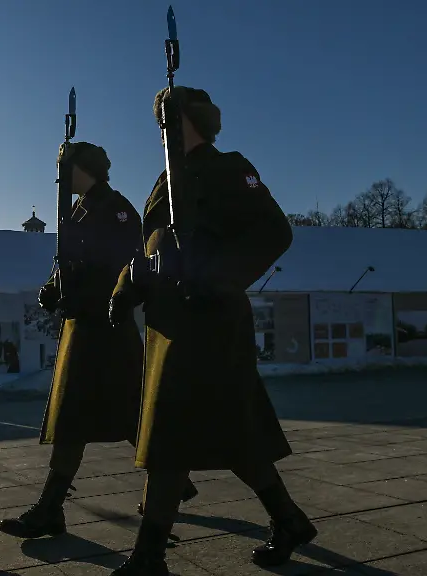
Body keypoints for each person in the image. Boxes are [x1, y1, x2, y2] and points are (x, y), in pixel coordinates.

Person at [106, 87, 316, 575]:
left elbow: (273, 231)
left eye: (168, 119)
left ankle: (148, 557)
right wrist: (124, 290)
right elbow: (150, 248)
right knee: (232, 433)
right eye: (160, 121)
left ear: (191, 120)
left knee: (170, 434)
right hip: (169, 323)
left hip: (210, 320)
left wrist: (215, 277)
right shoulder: (164, 182)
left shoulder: (228, 168)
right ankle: (289, 520)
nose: (162, 129)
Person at [0, 142, 196, 541]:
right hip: (83, 326)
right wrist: (53, 288)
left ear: (82, 169)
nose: (61, 180)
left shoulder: (115, 209)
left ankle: (54, 507)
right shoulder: (80, 208)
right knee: (99, 415)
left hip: (106, 326)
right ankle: (170, 485)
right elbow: (67, 261)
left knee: (105, 414)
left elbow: (124, 266)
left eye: (64, 170)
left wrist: (82, 293)